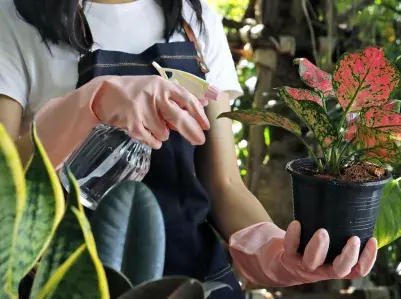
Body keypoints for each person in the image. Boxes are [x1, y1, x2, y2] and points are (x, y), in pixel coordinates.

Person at [0, 0, 378, 297]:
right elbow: (5, 182)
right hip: (67, 282)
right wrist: (87, 104)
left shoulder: (192, 19)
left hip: (195, 284)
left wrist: (273, 252)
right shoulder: (13, 18)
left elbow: (224, 185)